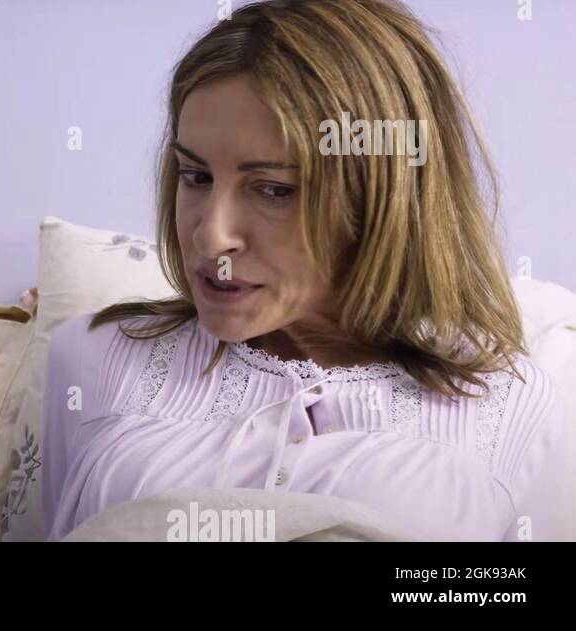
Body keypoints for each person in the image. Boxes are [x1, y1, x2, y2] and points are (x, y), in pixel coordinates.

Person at [42, 0, 564, 541]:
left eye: (274, 189)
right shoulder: (92, 357)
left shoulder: (519, 409)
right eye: (196, 176)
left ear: (382, 196)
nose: (211, 236)